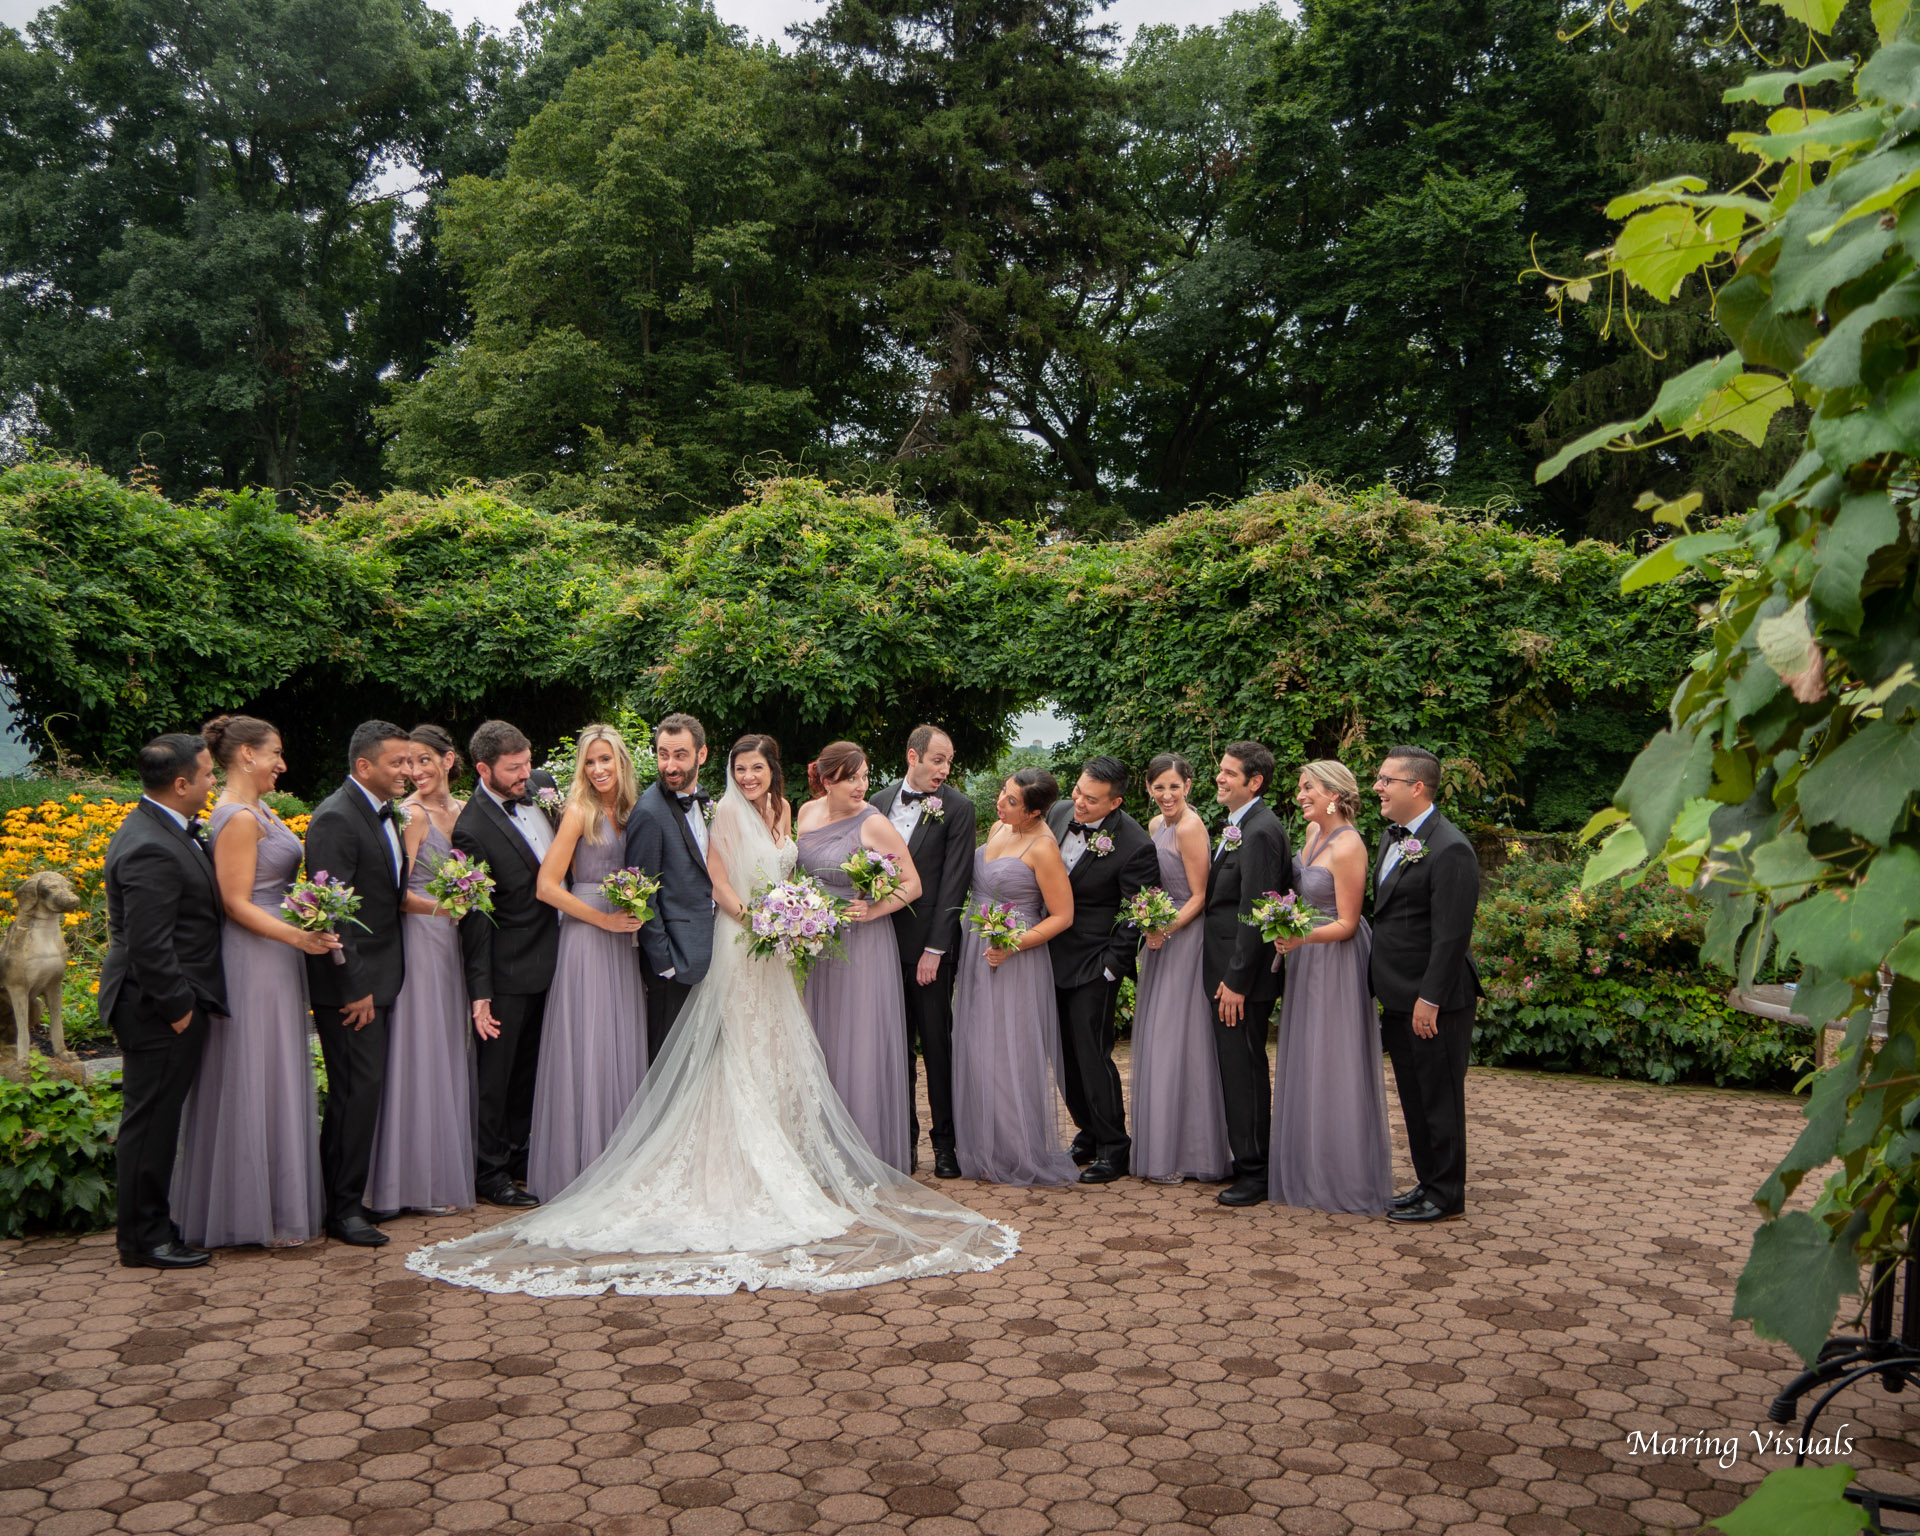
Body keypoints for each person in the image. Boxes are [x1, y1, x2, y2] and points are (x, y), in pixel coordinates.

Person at [408, 734, 1016, 1296]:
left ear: (772, 772)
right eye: (740, 769)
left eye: (757, 769)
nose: (748, 777)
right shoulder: (723, 811)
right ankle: (738, 1166)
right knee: (739, 1050)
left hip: (777, 949)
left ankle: (786, 1157)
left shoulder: (785, 812)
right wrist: (760, 920)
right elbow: (718, 882)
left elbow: (794, 871)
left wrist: (794, 917)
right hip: (740, 940)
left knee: (778, 1049)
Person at [172, 715, 330, 1249]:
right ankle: (249, 1211)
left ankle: (272, 1202)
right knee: (254, 1070)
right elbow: (236, 903)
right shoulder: (238, 817)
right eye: (275, 753)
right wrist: (298, 936)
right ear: (246, 755)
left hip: (275, 950)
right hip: (255, 955)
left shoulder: (259, 809)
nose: (281, 764)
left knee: (273, 1068)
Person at [100, 734, 228, 1269]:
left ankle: (152, 1227)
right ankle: (143, 1239)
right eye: (207, 774)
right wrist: (179, 1009)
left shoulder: (164, 828)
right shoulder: (149, 844)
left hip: (166, 1001)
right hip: (155, 1007)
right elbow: (149, 945)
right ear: (180, 784)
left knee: (157, 1120)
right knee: (150, 1123)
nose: (213, 782)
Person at [526, 724, 650, 1201]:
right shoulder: (578, 811)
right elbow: (547, 886)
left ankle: (619, 1163)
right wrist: (603, 921)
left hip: (623, 941)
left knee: (620, 1042)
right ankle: (579, 1164)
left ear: (621, 762)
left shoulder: (634, 811)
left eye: (606, 759)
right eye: (590, 762)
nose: (598, 769)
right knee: (590, 1042)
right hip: (587, 937)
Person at [303, 720, 413, 1246]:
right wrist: (354, 987)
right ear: (364, 765)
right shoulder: (335, 818)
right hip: (352, 986)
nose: (407, 770)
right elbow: (332, 912)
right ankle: (342, 1210)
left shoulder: (382, 812)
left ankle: (350, 1198)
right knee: (354, 1092)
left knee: (364, 1091)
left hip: (381, 974)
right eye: (397, 762)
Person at [1269, 760, 1392, 1214]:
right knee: (1307, 1055)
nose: (1300, 795)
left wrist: (1300, 936)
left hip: (1335, 959)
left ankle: (1342, 1175)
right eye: (1301, 788)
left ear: (1334, 795)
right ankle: (1308, 1166)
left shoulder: (1349, 845)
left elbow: (1347, 922)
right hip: (1305, 956)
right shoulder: (1310, 834)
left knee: (1334, 1059)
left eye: (1309, 788)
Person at [365, 725, 476, 1217]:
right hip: (422, 939)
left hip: (455, 942)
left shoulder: (465, 810)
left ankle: (444, 1167)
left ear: (448, 761)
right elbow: (398, 893)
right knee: (422, 1046)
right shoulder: (409, 816)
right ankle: (412, 1181)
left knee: (450, 1044)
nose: (415, 771)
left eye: (424, 760)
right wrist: (446, 909)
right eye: (408, 763)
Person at [950, 768, 1080, 1186]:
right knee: (976, 1047)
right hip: (977, 948)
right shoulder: (997, 828)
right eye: (1003, 793)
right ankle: (984, 1147)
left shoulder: (1043, 848)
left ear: (1035, 812)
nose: (1000, 803)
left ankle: (1015, 1152)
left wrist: (1013, 944)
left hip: (1015, 958)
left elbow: (1062, 916)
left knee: (1009, 1053)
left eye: (1011, 801)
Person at [451, 719, 562, 1209]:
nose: (526, 775)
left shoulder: (542, 788)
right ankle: (489, 1171)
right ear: (483, 769)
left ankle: (519, 1153)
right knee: (495, 1077)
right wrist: (481, 992)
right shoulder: (470, 829)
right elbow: (476, 919)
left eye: (528, 762)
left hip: (555, 961)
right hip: (508, 970)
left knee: (529, 1072)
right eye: (514, 768)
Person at [1370, 745, 1483, 1224]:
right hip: (1398, 993)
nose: (1377, 787)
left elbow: (1452, 935)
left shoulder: (1451, 847)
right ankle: (1426, 1182)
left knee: (1440, 1097)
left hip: (1435, 1000)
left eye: (1386, 780)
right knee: (1415, 1098)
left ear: (1417, 787)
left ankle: (1447, 1195)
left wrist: (1429, 999)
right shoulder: (1391, 837)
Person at [797, 741, 922, 1173]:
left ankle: (864, 1152)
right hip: (818, 943)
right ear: (826, 779)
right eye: (851, 778)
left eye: (865, 776)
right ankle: (824, 1148)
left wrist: (873, 909)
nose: (861, 786)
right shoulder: (806, 814)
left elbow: (912, 884)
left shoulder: (873, 823)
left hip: (863, 944)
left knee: (859, 1041)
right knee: (823, 1038)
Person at [1043, 756, 1158, 1183]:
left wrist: (1112, 967)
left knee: (1092, 1054)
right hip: (1049, 956)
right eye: (1078, 791)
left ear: (1115, 803)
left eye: (1091, 800)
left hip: (1094, 964)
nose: (1079, 802)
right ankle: (1087, 1132)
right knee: (1061, 1053)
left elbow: (1138, 911)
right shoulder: (1058, 813)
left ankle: (1114, 1146)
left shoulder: (1135, 844)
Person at [869, 725, 976, 1180]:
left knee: (937, 1048)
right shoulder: (876, 802)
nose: (944, 769)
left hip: (930, 949)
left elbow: (955, 883)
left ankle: (946, 1145)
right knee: (894, 1050)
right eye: (937, 759)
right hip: (880, 945)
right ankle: (904, 1143)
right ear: (913, 756)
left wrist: (936, 948)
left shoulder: (959, 808)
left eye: (948, 761)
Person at [1128, 753, 1231, 1185]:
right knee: (1159, 1037)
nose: (1166, 794)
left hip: (1185, 939)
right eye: (1159, 787)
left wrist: (1164, 929)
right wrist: (1148, 920)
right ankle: (1161, 1143)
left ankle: (1193, 1151)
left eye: (1174, 786)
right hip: (1160, 938)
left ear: (1188, 785)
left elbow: (1199, 896)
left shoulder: (1191, 827)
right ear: (1149, 788)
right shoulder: (1156, 825)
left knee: (1181, 1037)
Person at [1202, 740, 1292, 1208]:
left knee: (1245, 1072)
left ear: (1254, 782)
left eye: (1229, 773)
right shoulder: (1240, 825)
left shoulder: (1260, 831)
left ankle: (1256, 1172)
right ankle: (1246, 1159)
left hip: (1241, 980)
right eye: (1220, 770)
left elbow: (1256, 911)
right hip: (1226, 971)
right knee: (1235, 1069)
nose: (1220, 778)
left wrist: (1237, 980)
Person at [625, 713, 714, 1063]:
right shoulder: (649, 812)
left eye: (680, 755)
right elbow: (642, 894)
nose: (670, 765)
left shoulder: (705, 802)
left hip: (705, 953)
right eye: (663, 754)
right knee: (666, 1062)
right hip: (672, 964)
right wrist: (665, 963)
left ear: (701, 755)